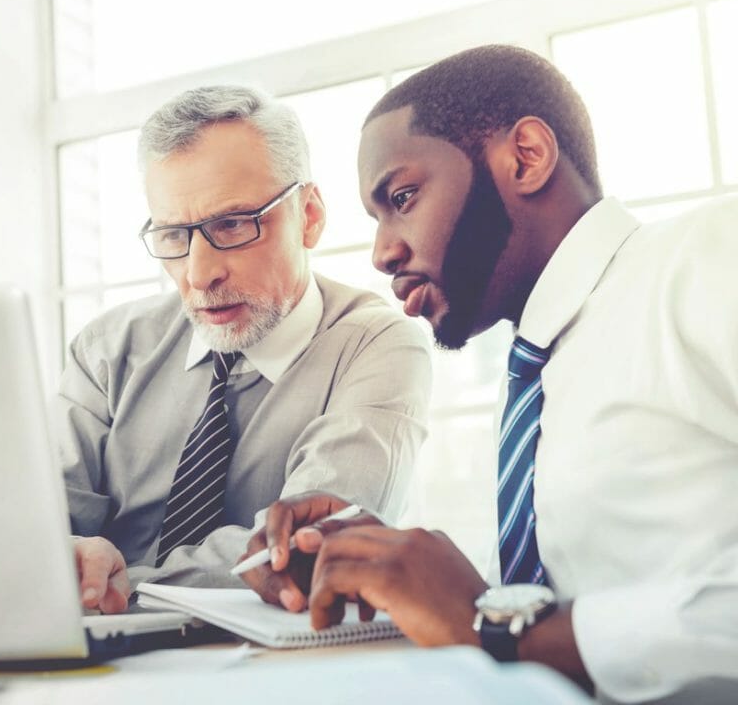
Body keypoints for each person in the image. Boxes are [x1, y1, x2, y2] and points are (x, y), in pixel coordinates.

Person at [239, 46, 738, 704]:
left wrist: (503, 631)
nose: (384, 252)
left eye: (403, 197)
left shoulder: (708, 253)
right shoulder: (539, 373)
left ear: (526, 155)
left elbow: (518, 634)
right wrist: (393, 566)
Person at [58, 85, 432, 615]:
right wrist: (62, 559)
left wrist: (119, 583)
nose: (199, 273)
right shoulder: (106, 350)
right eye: (172, 235)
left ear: (309, 216)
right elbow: (31, 531)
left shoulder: (377, 344)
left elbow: (304, 547)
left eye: (232, 224)